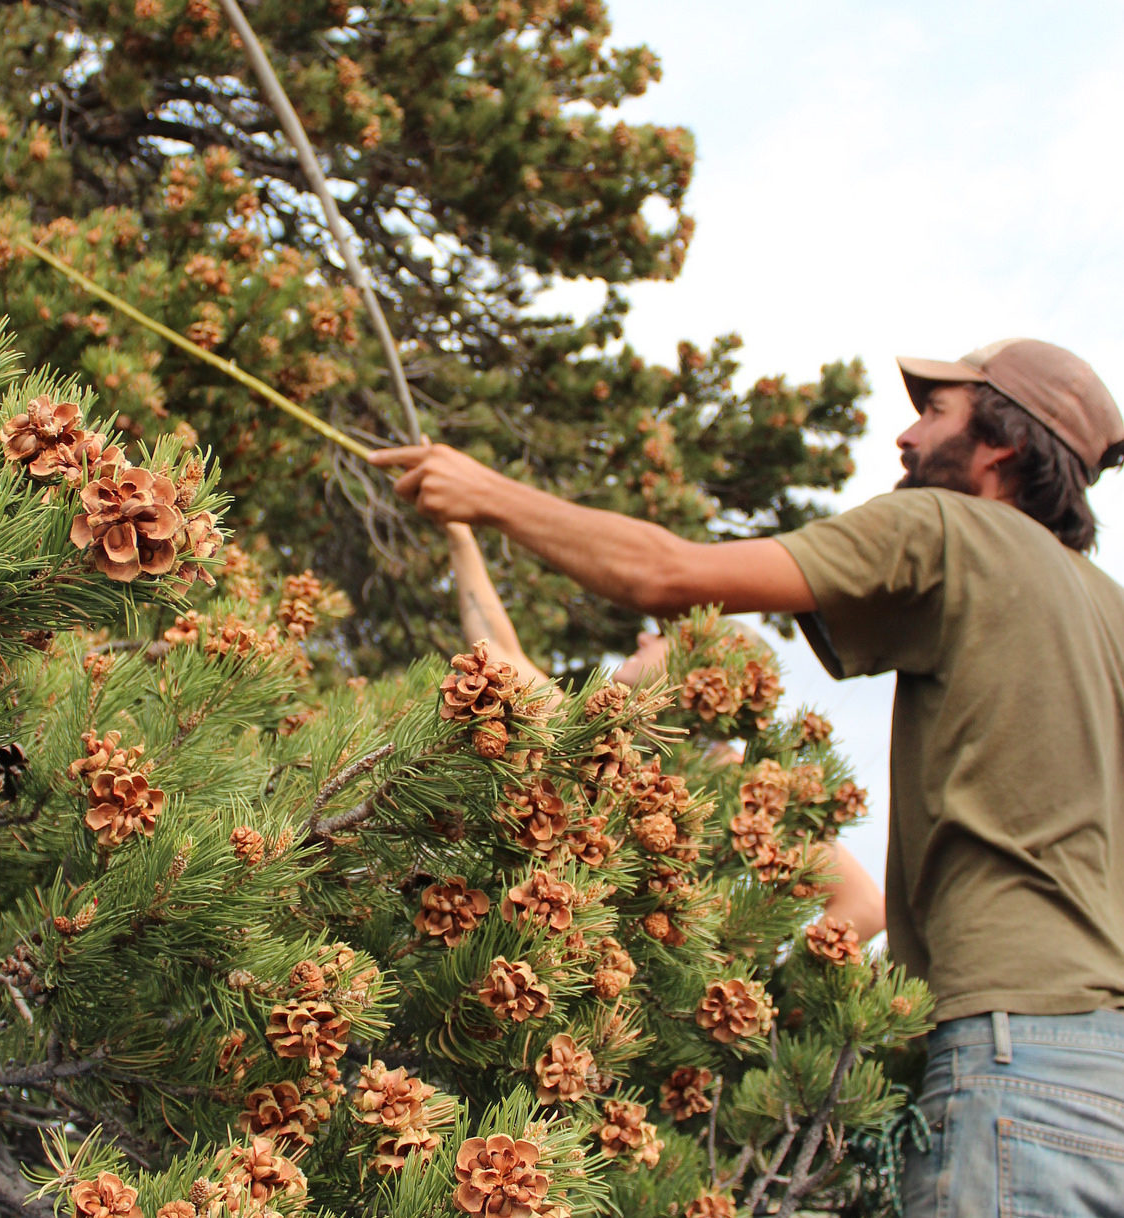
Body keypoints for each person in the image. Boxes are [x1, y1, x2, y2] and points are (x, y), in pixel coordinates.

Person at [370, 338, 1124, 1216]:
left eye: (936, 412)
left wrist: (487, 495)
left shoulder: (950, 528)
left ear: (1003, 444)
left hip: (1013, 1062)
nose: (906, 439)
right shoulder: (1107, 611)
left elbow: (669, 574)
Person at [444, 519, 887, 941]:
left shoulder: (744, 792)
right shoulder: (591, 740)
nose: (642, 639)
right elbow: (496, 647)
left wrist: (745, 960)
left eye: (663, 635)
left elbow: (864, 905)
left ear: (708, 671)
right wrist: (459, 531)